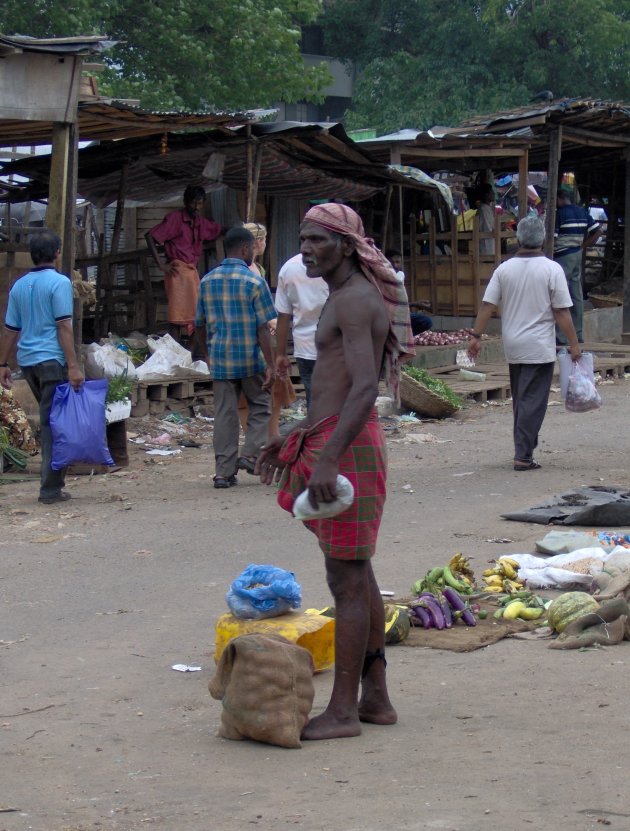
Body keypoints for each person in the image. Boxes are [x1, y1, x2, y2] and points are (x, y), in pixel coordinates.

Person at [256, 203, 414, 740]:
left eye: (318, 240)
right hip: (336, 439)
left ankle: (344, 710)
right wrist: (297, 436)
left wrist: (325, 457)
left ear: (347, 246)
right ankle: (376, 698)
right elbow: (334, 383)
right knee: (357, 571)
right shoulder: (341, 298)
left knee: (344, 581)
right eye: (302, 240)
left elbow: (364, 387)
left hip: (347, 447)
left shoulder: (353, 302)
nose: (306, 249)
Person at [467, 216, 581, 471]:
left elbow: (488, 305)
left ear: (518, 239)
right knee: (533, 401)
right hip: (539, 346)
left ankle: (525, 448)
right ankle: (523, 455)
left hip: (514, 344)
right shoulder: (552, 269)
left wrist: (476, 336)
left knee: (522, 399)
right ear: (543, 239)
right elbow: (562, 312)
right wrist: (574, 344)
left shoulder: (504, 269)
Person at [0, 229, 84, 504]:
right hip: (51, 362)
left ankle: (54, 483)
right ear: (57, 253)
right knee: (52, 425)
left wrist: (2, 363)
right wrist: (73, 365)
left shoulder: (19, 285)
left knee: (50, 420)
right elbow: (63, 325)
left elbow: (11, 330)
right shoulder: (59, 283)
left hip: (28, 363)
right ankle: (50, 489)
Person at [195, 226, 276, 489]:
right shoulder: (255, 281)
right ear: (245, 249)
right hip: (250, 358)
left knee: (224, 415)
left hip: (220, 359)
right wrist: (272, 364)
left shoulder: (207, 280)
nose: (254, 252)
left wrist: (207, 354)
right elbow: (264, 327)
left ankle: (223, 473)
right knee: (261, 405)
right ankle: (251, 455)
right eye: (253, 248)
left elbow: (198, 324)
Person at [145, 185, 223, 337]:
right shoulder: (175, 219)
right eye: (193, 203)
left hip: (192, 273)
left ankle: (189, 352)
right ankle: (176, 352)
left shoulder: (201, 223)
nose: (196, 207)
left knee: (197, 316)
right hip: (177, 272)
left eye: (199, 203)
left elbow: (219, 229)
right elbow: (150, 236)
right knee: (177, 317)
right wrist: (161, 265)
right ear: (186, 202)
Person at [274, 253, 328, 408]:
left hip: (305, 347)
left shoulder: (289, 267)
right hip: (336, 345)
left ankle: (318, 429)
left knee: (314, 400)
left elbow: (283, 316)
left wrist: (281, 354)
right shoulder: (337, 262)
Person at [554, 189, 601, 344]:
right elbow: (597, 232)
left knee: (561, 295)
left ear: (559, 199)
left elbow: (552, 238)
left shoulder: (559, 214)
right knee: (576, 294)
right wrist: (583, 245)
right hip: (576, 254)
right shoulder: (582, 212)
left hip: (562, 255)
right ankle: (578, 333)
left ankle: (561, 336)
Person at [384, 249, 432, 335]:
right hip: (386, 314)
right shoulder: (382, 278)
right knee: (425, 321)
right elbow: (390, 305)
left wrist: (416, 303)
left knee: (425, 322)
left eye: (397, 262)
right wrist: (415, 304)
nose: (394, 265)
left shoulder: (400, 275)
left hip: (399, 312)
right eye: (391, 262)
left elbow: (399, 302)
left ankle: (401, 338)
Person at [477, 184, 496, 256]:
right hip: (487, 248)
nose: (494, 194)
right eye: (491, 192)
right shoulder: (484, 209)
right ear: (487, 195)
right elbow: (488, 228)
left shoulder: (487, 208)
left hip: (490, 245)